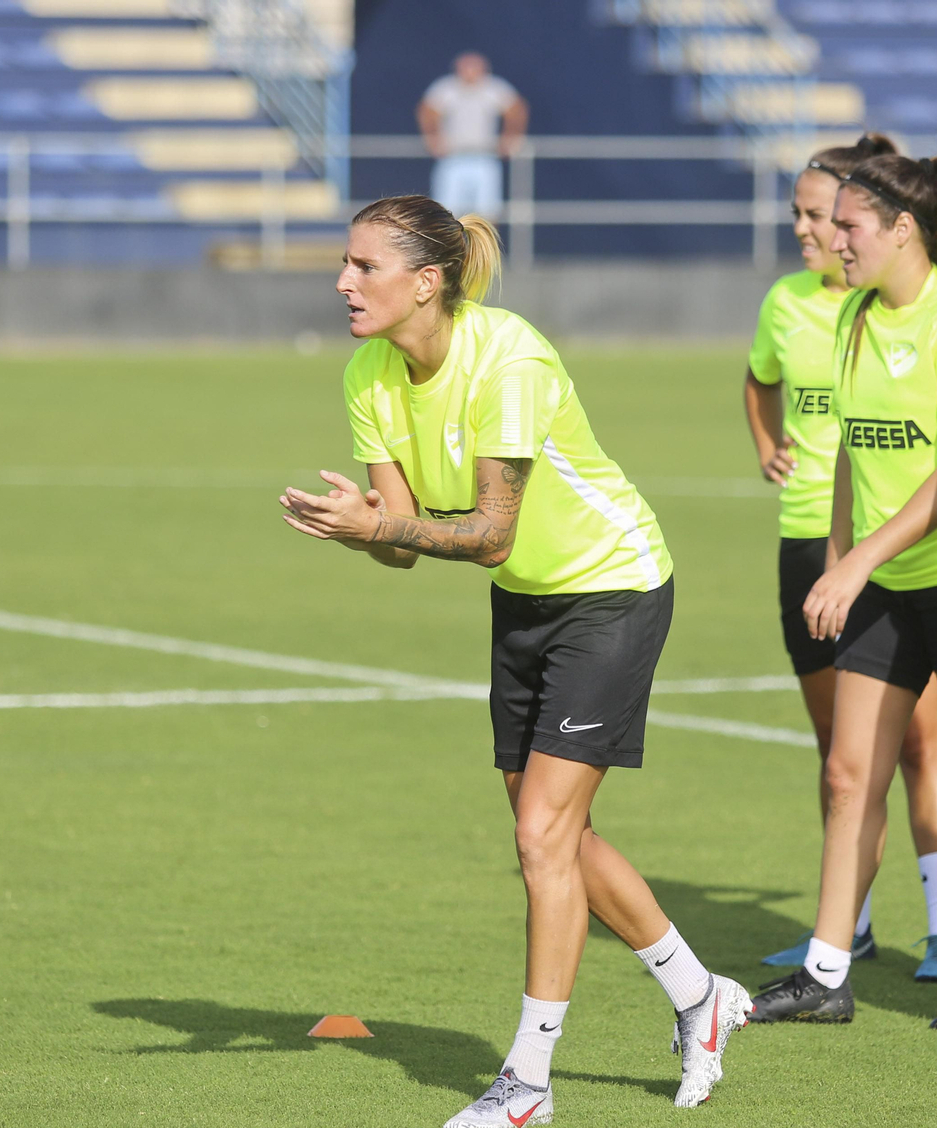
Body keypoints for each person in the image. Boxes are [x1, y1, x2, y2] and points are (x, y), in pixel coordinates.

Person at [279, 195, 750, 1126]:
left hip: (614, 583)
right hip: (528, 601)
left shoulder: (512, 356)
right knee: (555, 838)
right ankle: (704, 999)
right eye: (344, 263)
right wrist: (360, 532)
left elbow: (490, 533)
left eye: (363, 266)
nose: (342, 282)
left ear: (427, 282)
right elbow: (405, 546)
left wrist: (383, 524)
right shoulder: (369, 374)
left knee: (541, 835)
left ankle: (526, 1086)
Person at [748, 153, 937, 1031]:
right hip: (878, 585)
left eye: (848, 227)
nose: (830, 241)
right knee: (847, 773)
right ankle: (828, 972)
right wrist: (841, 551)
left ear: (902, 228)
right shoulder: (854, 321)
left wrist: (855, 558)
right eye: (830, 225)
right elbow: (848, 449)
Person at [418, 52, 528, 220]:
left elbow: (517, 109)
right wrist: (432, 137)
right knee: (446, 212)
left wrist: (511, 138)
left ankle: (485, 247)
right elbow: (426, 110)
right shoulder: (446, 88)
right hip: (452, 157)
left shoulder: (494, 88)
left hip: (484, 157)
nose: (470, 71)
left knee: (488, 212)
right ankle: (449, 247)